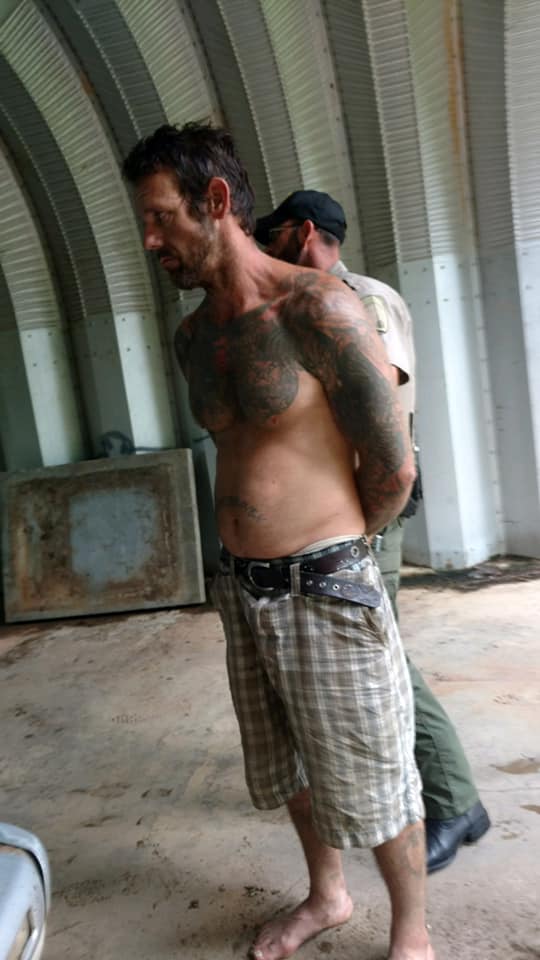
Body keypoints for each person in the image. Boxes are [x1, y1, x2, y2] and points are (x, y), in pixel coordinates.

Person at [123, 122, 435, 960]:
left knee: (375, 772)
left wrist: (339, 553)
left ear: (216, 201)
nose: (149, 241)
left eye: (160, 218)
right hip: (241, 589)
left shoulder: (318, 308)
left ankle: (412, 934)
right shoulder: (194, 338)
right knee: (286, 766)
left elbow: (393, 466)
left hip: (325, 586)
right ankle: (328, 896)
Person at [254, 189, 490, 874]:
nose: (265, 248)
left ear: (304, 234)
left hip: (366, 506)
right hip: (345, 508)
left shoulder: (360, 300)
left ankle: (454, 803)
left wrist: (361, 514)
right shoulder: (325, 299)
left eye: (273, 235)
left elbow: (381, 400)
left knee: (385, 660)